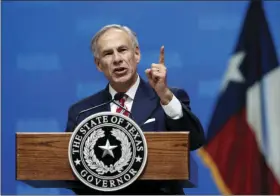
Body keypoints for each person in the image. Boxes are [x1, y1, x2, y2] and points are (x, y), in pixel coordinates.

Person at [65, 24, 205, 195]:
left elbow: (195, 140)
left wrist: (165, 95)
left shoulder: (167, 98)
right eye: (108, 53)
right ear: (98, 64)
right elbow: (73, 173)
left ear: (136, 54)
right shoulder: (82, 112)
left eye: (122, 50)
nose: (117, 59)